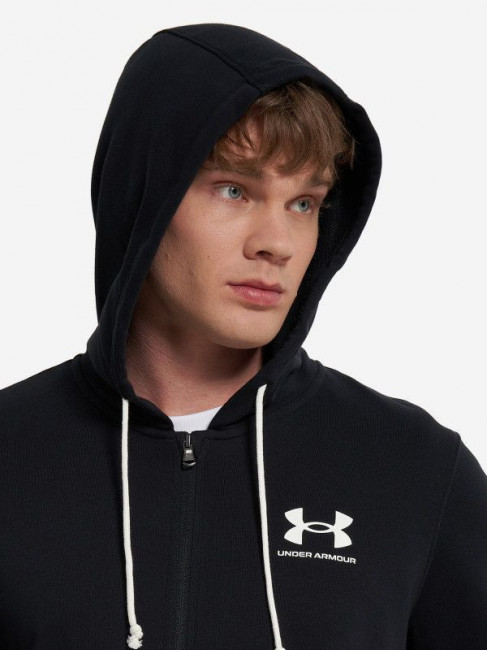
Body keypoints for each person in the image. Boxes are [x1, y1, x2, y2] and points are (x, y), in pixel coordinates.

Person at [0, 22, 486, 650]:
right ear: (142, 196)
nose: (277, 244)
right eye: (234, 190)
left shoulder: (414, 470)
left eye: (304, 203)